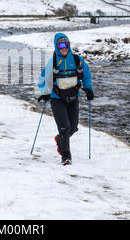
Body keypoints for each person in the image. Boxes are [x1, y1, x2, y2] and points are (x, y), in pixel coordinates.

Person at [37, 33, 94, 166]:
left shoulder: (77, 59)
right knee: (64, 127)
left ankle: (60, 139)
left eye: (66, 45)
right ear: (57, 47)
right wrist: (45, 93)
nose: (64, 48)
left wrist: (89, 89)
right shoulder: (53, 62)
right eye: (61, 45)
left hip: (73, 96)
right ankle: (66, 156)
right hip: (57, 98)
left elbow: (86, 74)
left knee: (73, 128)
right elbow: (42, 79)